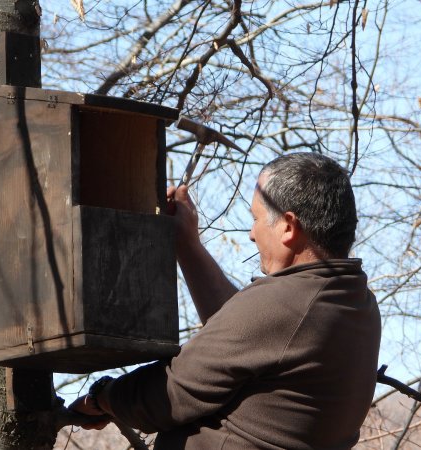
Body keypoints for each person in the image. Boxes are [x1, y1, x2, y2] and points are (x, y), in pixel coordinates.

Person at [69, 153, 381, 449]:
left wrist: (103, 397)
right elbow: (244, 335)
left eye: (256, 218)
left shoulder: (286, 305)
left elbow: (168, 395)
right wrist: (187, 244)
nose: (251, 234)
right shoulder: (351, 301)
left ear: (288, 226)